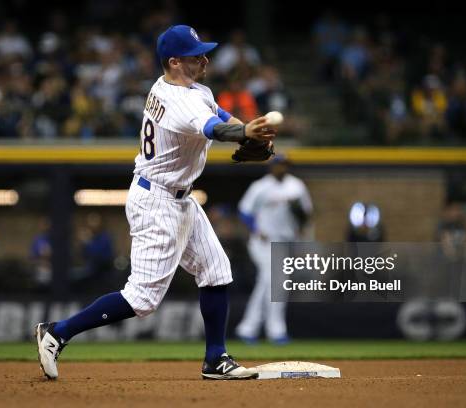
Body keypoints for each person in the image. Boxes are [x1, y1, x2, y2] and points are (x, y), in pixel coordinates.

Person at [36, 24, 276, 380]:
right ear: (175, 62)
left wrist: (249, 135)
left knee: (216, 272)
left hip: (179, 200)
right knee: (141, 300)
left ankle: (215, 359)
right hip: (157, 200)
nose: (206, 60)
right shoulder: (180, 100)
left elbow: (224, 118)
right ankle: (57, 332)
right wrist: (243, 135)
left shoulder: (188, 89)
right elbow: (214, 128)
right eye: (197, 56)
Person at [235, 155, 313, 345]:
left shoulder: (297, 186)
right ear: (272, 167)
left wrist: (302, 228)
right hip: (263, 241)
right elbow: (244, 211)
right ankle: (276, 330)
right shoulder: (260, 186)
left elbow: (306, 213)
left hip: (285, 241)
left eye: (285, 165)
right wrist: (255, 229)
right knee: (275, 280)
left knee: (270, 282)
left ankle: (248, 328)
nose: (283, 168)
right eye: (280, 165)